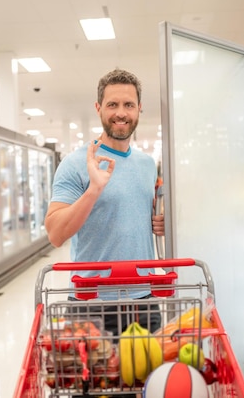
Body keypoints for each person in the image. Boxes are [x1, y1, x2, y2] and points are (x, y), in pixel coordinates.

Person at [45, 68, 165, 338]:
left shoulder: (147, 165)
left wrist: (160, 223)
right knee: (92, 382)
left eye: (128, 105)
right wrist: (94, 190)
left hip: (144, 300)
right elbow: (55, 233)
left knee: (149, 381)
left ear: (139, 109)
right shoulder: (76, 163)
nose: (121, 112)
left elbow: (130, 216)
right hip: (91, 303)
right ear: (99, 108)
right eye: (112, 104)